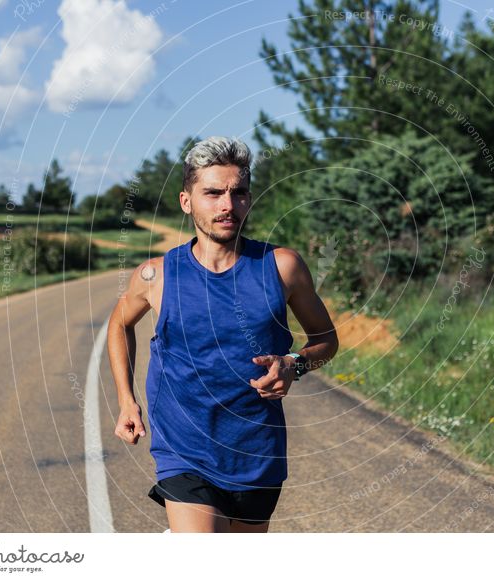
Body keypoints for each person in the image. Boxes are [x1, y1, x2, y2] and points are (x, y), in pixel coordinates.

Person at [107, 136, 339, 533]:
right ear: (186, 201)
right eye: (212, 193)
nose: (227, 205)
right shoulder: (157, 276)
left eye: (238, 192)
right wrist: (127, 401)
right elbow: (119, 324)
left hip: (257, 453)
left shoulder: (281, 267)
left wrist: (294, 364)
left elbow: (326, 340)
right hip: (184, 451)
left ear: (249, 199)